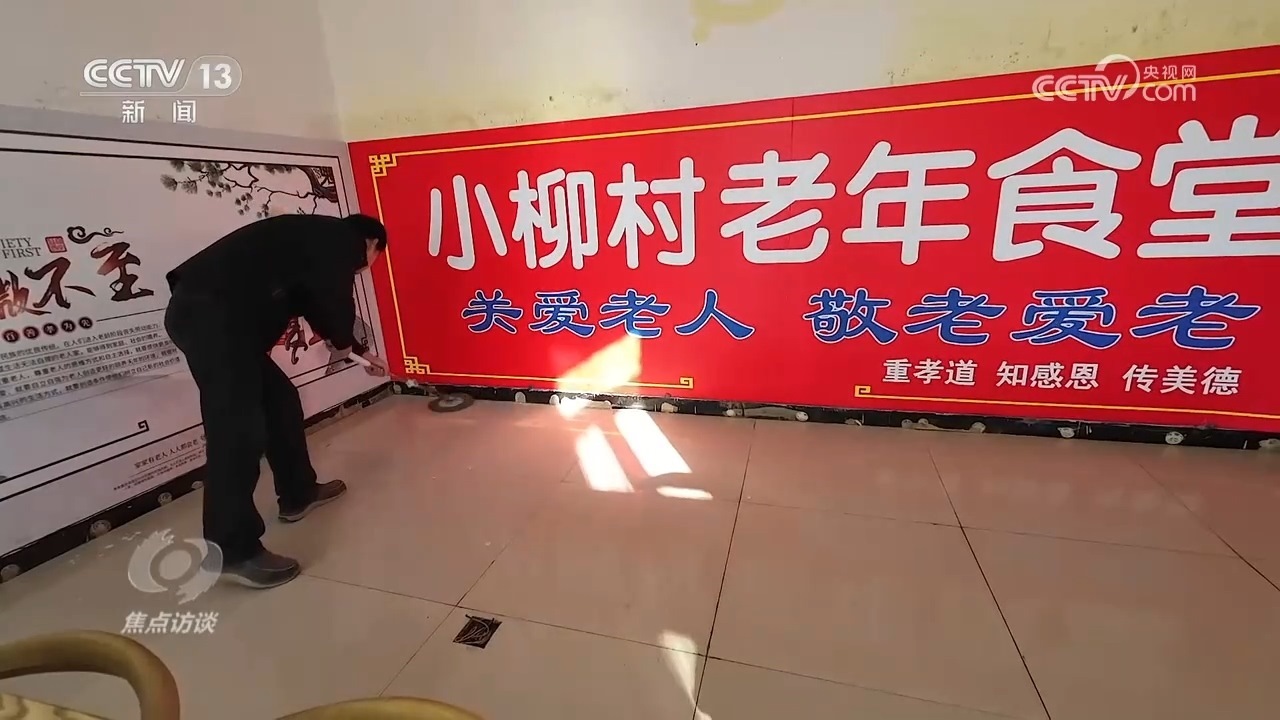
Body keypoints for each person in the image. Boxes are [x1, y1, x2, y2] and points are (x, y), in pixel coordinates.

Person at [163, 213, 390, 589]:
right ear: (371, 244)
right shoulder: (339, 240)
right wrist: (347, 343)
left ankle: (298, 492)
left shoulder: (312, 242)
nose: (365, 267)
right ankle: (232, 549)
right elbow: (333, 297)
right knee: (238, 431)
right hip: (213, 320)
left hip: (219, 321)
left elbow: (317, 303)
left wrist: (357, 351)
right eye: (374, 259)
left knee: (281, 402)